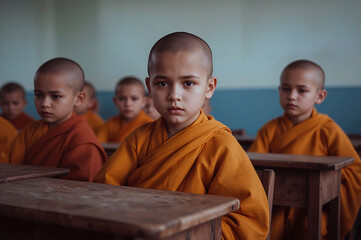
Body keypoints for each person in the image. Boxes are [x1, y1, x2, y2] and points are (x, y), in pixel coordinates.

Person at [95, 32, 269, 239]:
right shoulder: (138, 139)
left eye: (188, 83)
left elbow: (249, 220)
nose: (174, 95)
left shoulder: (222, 145)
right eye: (162, 83)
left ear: (209, 87)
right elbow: (103, 192)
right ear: (149, 86)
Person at [249, 59, 361, 239]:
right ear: (279, 91)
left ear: (320, 96)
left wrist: (324, 181)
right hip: (274, 207)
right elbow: (252, 169)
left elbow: (354, 170)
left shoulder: (328, 130)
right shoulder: (269, 129)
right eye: (286, 88)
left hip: (314, 208)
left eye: (302, 90)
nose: (292, 96)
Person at [7, 58, 107, 182]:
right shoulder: (31, 130)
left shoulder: (82, 141)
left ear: (79, 99)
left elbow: (81, 191)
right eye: (39, 95)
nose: (44, 103)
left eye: (56, 96)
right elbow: (8, 165)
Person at [96, 76, 153, 143]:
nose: (128, 104)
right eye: (122, 98)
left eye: (134, 98)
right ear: (115, 101)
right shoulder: (111, 124)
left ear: (143, 101)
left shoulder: (149, 125)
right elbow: (99, 144)